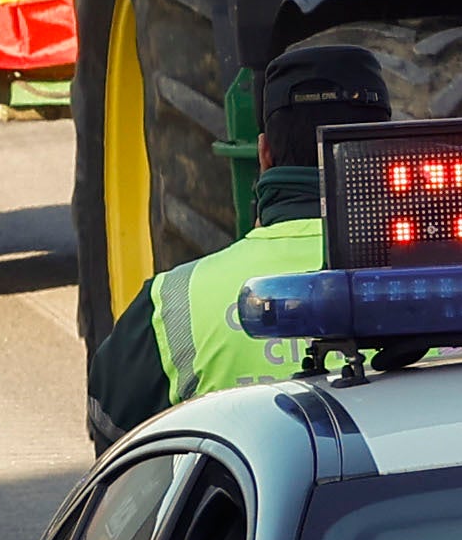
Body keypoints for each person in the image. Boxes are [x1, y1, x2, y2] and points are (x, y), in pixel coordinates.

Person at [84, 51, 389, 441]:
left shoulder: (175, 303)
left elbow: (114, 440)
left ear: (264, 154)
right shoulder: (450, 287)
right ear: (387, 156)